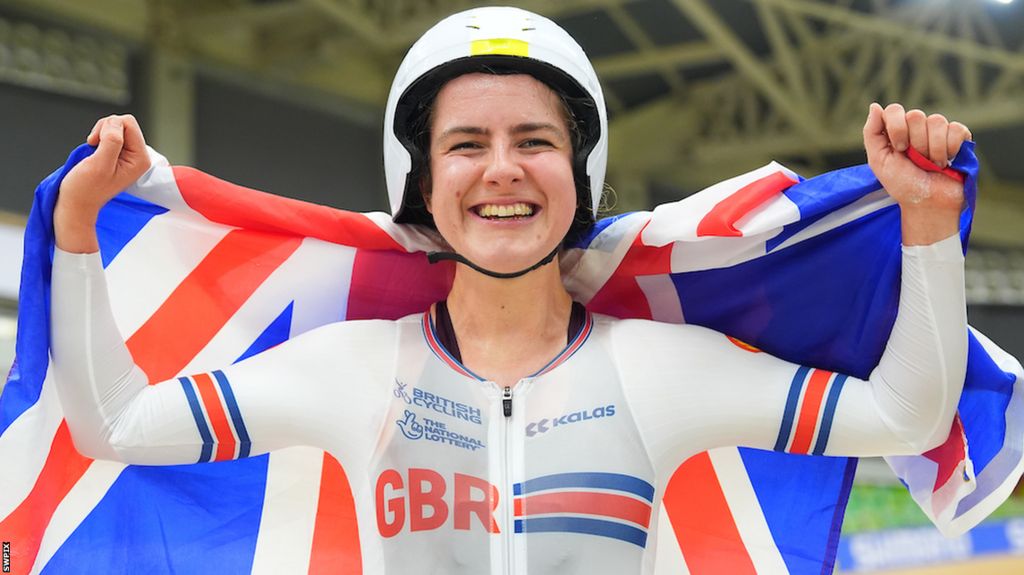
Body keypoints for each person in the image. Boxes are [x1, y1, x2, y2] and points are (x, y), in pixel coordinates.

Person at [49, 6, 971, 574]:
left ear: (580, 170)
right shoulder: (349, 368)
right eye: (465, 146)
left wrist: (927, 226)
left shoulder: (666, 368)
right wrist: (77, 234)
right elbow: (116, 424)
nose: (503, 171)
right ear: (419, 184)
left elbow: (909, 415)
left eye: (535, 140)